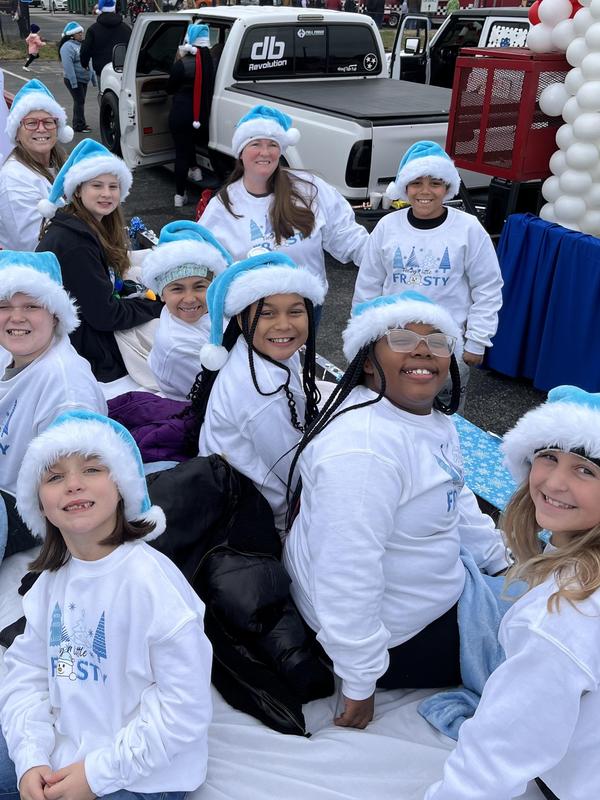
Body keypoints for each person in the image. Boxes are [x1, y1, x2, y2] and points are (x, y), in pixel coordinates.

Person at [283, 291, 508, 729]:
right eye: (402, 338)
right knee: (556, 647)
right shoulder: (363, 450)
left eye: (437, 341)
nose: (423, 349)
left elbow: (456, 498)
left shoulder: (432, 421)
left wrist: (500, 567)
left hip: (434, 591)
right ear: (368, 362)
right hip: (394, 637)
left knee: (556, 603)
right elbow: (346, 571)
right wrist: (359, 680)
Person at [0, 409, 213, 800]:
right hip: (64, 750)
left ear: (123, 487)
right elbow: (26, 674)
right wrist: (31, 756)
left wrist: (96, 775)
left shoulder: (153, 586)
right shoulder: (49, 584)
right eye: (54, 476)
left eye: (93, 469)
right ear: (40, 505)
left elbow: (184, 711)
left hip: (142, 770)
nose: (74, 485)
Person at [425, 385, 600, 800]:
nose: (554, 482)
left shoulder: (562, 617)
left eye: (586, 470)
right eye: (549, 457)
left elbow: (493, 761)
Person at [352, 140, 503, 407]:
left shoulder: (468, 229)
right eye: (416, 183)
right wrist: (360, 336)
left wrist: (477, 341)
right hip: (394, 344)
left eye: (435, 183)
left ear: (447, 187)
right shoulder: (388, 226)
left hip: (445, 347)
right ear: (404, 187)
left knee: (444, 413)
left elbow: (488, 287)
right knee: (389, 409)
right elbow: (368, 286)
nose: (425, 191)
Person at [190, 250, 326, 532]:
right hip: (263, 518)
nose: (284, 324)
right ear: (240, 320)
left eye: (296, 311)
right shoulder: (263, 393)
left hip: (239, 483)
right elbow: (294, 472)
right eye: (267, 313)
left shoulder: (261, 351)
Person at [200, 105, 368, 318]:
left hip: (303, 307)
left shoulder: (309, 189)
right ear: (241, 152)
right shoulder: (223, 205)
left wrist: (385, 265)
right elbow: (205, 261)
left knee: (303, 353)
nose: (265, 152)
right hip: (251, 311)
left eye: (272, 144)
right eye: (255, 144)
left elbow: (348, 237)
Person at [0, 250, 106, 564]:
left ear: (55, 314)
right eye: (4, 306)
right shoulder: (18, 353)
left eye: (31, 306)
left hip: (28, 507)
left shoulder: (65, 389)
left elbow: (77, 491)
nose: (16, 317)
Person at [36, 138, 162, 385]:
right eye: (97, 185)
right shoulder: (75, 243)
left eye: (113, 186)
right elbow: (105, 316)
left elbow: (103, 287)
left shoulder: (86, 227)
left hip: (85, 330)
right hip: (83, 348)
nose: (107, 194)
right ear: (78, 190)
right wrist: (157, 306)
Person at [141, 220, 232, 400]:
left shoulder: (205, 312)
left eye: (199, 287)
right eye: (177, 289)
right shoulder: (177, 347)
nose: (190, 298)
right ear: (162, 294)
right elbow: (221, 394)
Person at [0, 79, 72, 252]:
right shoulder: (13, 179)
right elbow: (34, 244)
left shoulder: (61, 162)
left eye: (48, 121)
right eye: (31, 123)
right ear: (16, 133)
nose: (41, 129)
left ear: (58, 127)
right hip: (41, 272)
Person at [167, 24, 215, 208]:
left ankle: (180, 196)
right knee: (189, 143)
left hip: (180, 113)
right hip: (202, 115)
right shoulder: (211, 62)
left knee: (181, 152)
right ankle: (196, 170)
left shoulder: (182, 64)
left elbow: (169, 88)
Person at [80, 0, 131, 90]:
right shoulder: (126, 28)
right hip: (123, 70)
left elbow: (85, 50)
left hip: (102, 70)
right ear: (114, 9)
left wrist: (84, 63)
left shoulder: (93, 29)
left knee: (105, 97)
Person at [59, 21, 95, 134]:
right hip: (73, 80)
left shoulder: (81, 45)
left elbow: (89, 62)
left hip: (83, 79)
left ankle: (81, 123)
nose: (81, 35)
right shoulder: (67, 47)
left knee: (80, 101)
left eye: (81, 33)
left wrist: (93, 78)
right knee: (79, 101)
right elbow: (68, 65)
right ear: (72, 35)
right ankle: (78, 125)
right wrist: (74, 81)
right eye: (79, 33)